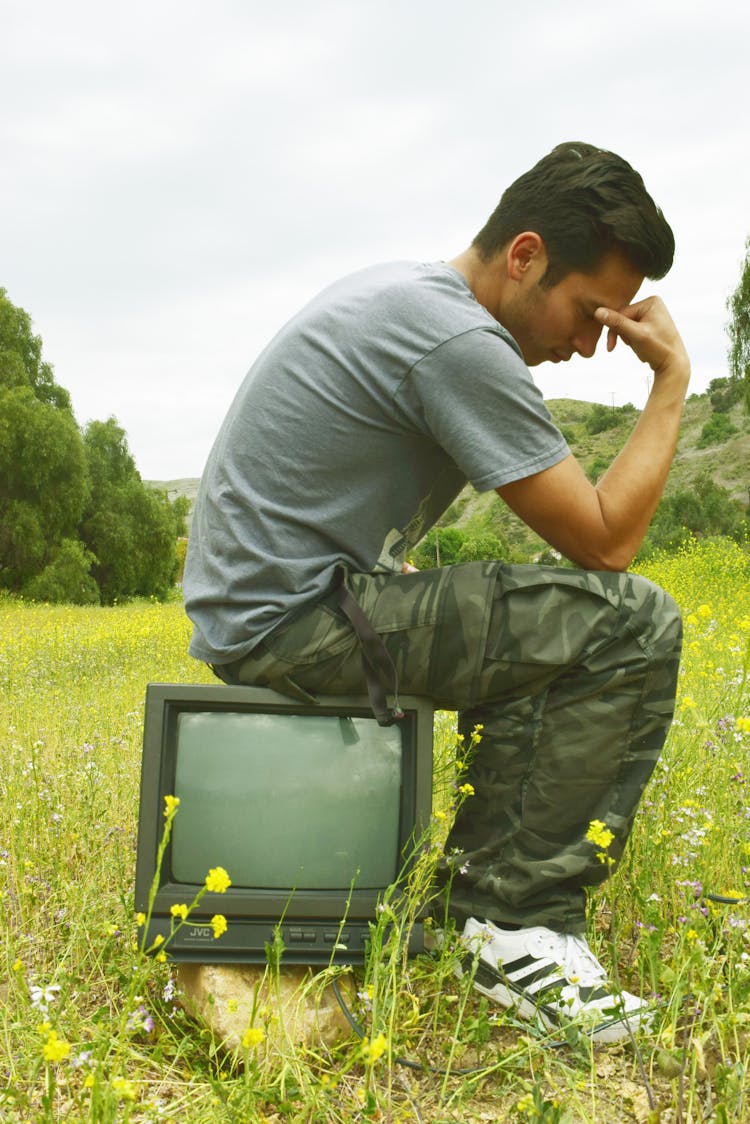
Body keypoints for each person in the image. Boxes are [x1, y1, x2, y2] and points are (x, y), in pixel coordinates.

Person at [183, 142, 689, 1043]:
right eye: (585, 312)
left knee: (544, 628)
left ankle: (491, 905)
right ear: (524, 254)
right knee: (629, 623)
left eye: (609, 326)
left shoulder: (413, 297)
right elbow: (607, 541)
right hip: (292, 625)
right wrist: (670, 384)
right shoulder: (458, 340)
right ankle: (512, 922)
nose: (586, 344)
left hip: (278, 606)